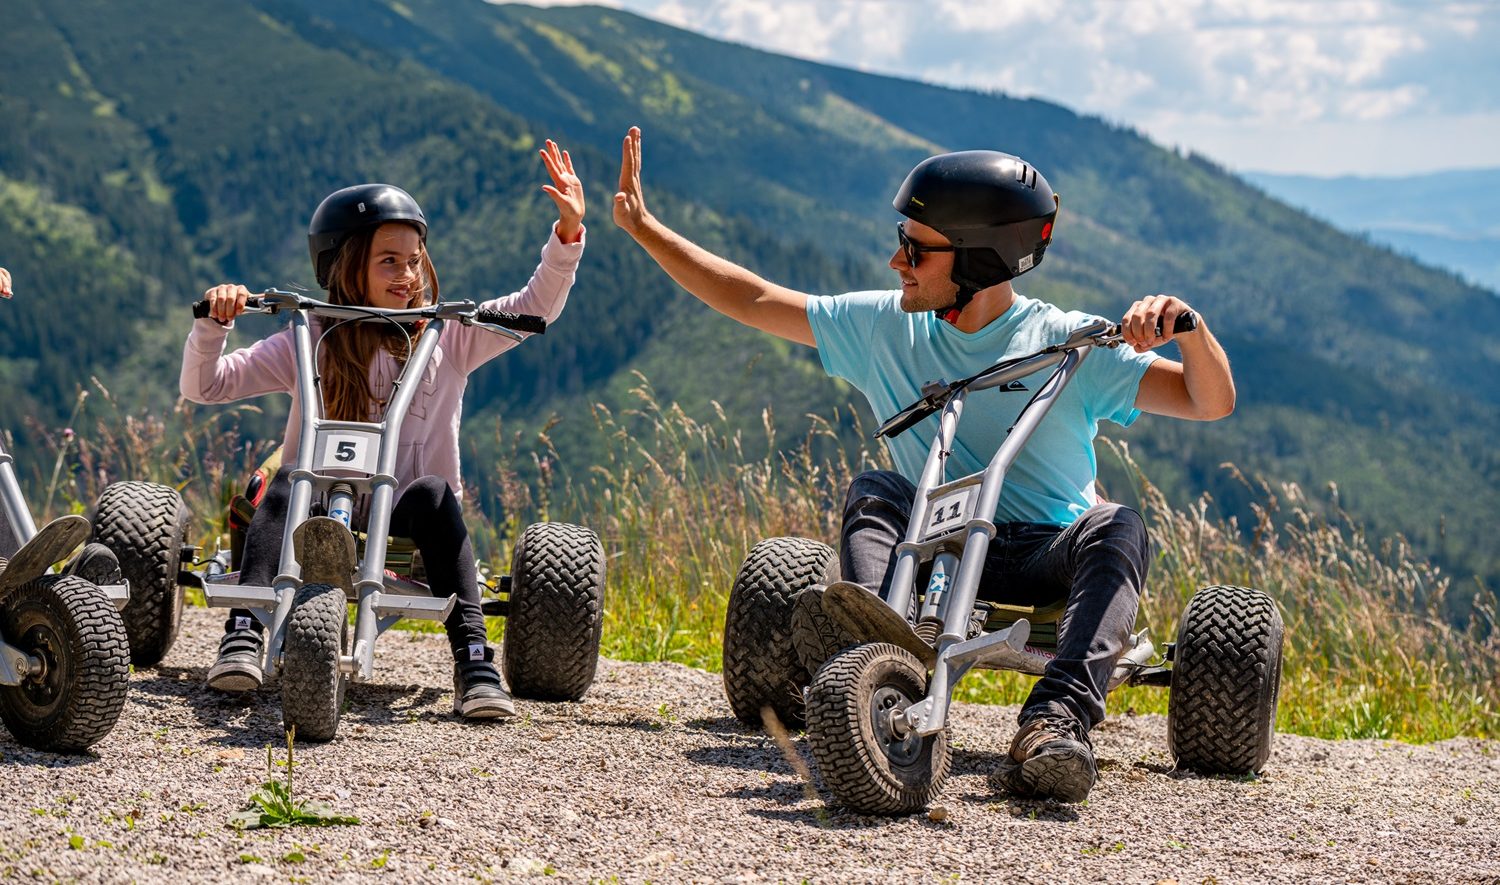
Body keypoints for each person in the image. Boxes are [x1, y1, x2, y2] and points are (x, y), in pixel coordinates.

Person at [611, 127, 1234, 801]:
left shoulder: (1070, 342)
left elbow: (1210, 400)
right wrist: (646, 230)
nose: (894, 260)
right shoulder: (887, 327)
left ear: (976, 258)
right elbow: (755, 299)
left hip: (1042, 551)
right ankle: (879, 652)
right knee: (876, 489)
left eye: (915, 247)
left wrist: (1189, 330)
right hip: (929, 546)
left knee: (1119, 525)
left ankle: (1055, 722)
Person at [181, 139, 587, 720]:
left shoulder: (448, 335)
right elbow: (206, 386)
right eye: (388, 261)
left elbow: (536, 306)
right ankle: (243, 632)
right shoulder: (309, 335)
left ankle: (474, 660)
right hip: (314, 504)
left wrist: (566, 235)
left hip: (404, 508)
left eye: (415, 258)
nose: (408, 273)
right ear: (347, 268)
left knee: (436, 495)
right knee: (281, 482)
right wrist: (213, 326)